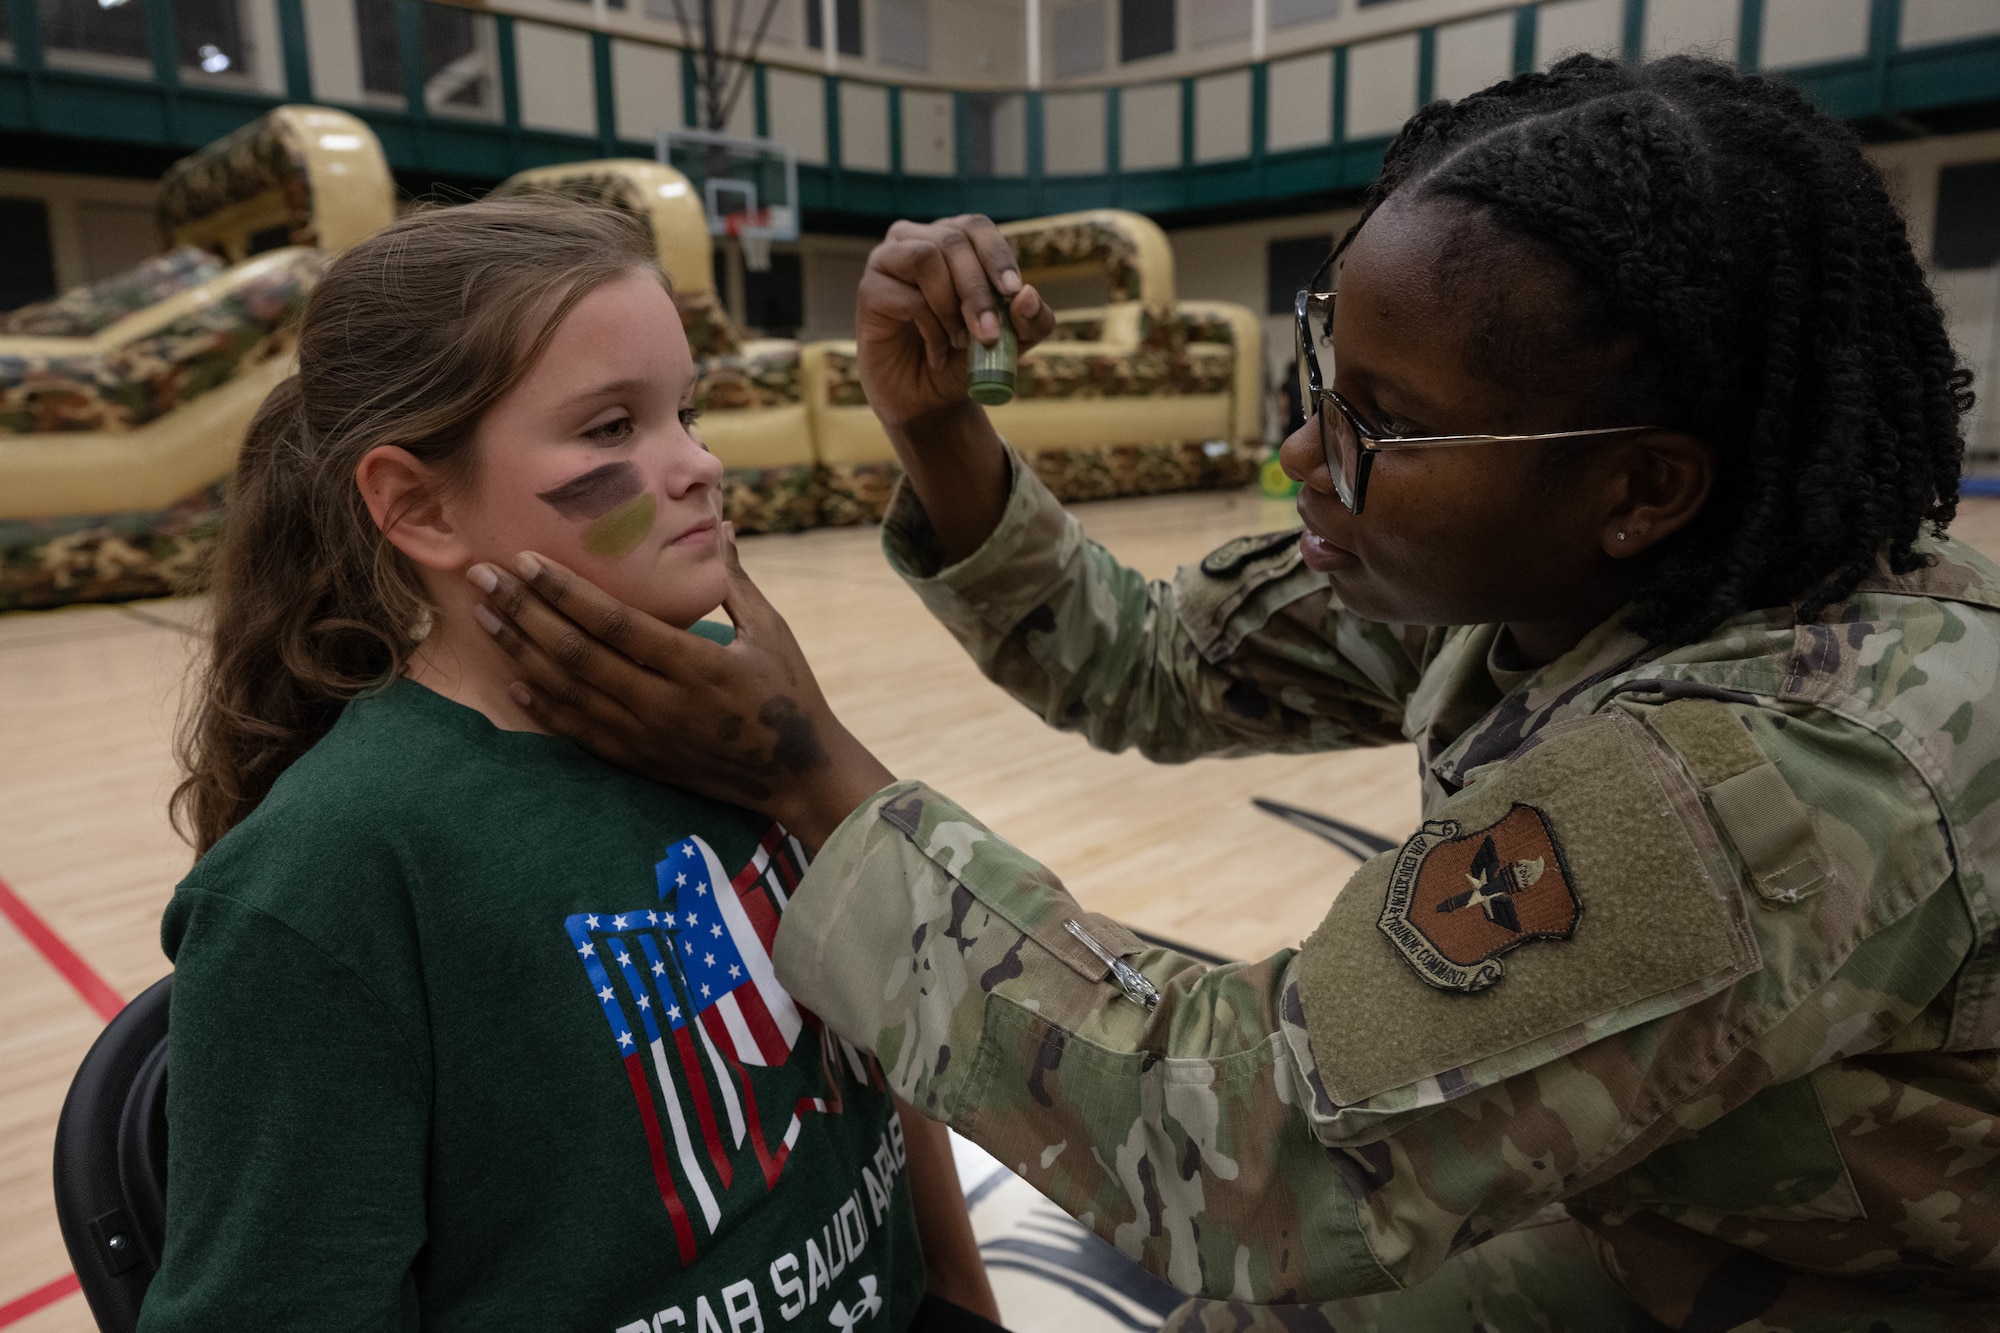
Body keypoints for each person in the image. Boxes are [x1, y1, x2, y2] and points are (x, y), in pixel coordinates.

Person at [465, 56, 2000, 1331]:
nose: (1299, 460)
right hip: (1693, 1196)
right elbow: (1147, 658)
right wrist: (944, 423)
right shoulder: (1570, 576)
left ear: (1643, 487)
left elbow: (1254, 1155)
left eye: (1382, 423)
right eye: (1319, 373)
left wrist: (813, 775)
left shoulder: (1774, 773)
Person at [146, 195, 997, 1333]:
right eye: (610, 428)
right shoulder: (325, 881)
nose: (698, 462)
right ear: (419, 507)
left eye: (684, 411)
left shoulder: (738, 705)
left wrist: (958, 1293)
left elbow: (894, 1033)